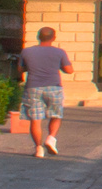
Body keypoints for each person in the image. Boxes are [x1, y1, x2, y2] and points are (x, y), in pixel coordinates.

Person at [19, 27, 74, 157]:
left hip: (33, 87)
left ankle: (38, 148)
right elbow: (69, 70)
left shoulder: (26, 52)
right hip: (54, 87)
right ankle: (51, 138)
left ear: (38, 36)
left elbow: (20, 69)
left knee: (35, 119)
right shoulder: (59, 52)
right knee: (56, 115)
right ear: (53, 37)